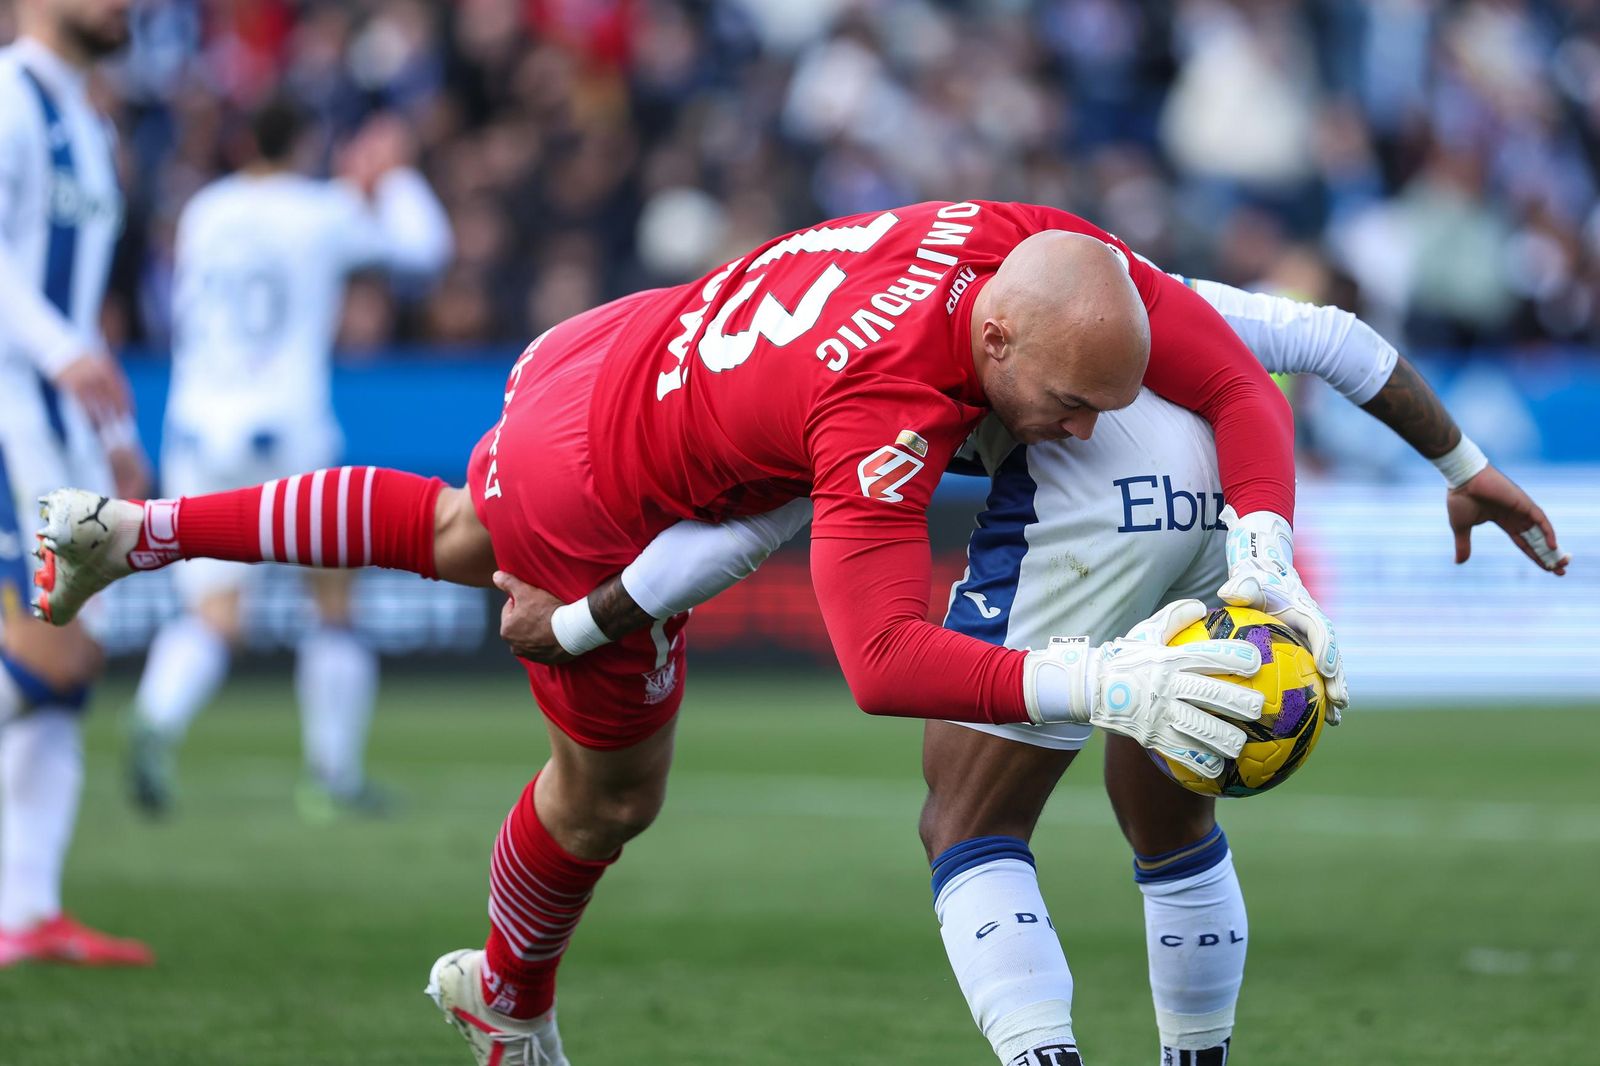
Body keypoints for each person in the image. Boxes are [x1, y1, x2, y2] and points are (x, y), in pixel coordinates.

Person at [34, 200, 1332, 1062]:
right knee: (608, 800)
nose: (1087, 430)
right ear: (998, 335)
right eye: (1063, 401)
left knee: (454, 534)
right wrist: (1111, 678)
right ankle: (510, 998)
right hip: (599, 493)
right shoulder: (883, 412)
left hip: (600, 354)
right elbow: (880, 663)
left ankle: (140, 529)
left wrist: (1277, 532)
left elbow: (1226, 359)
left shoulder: (1005, 237)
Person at [490, 278, 1569, 1065]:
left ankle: (1040, 1058)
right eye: (1072, 397)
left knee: (968, 826)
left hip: (1093, 513)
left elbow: (756, 528)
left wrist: (585, 623)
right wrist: (1464, 466)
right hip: (1220, 488)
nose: (1084, 413)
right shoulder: (1127, 297)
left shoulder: (893, 356)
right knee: (1169, 808)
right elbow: (1327, 339)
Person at [125, 99, 452, 819]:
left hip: (197, 430)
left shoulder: (205, 210)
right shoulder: (320, 211)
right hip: (288, 431)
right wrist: (389, 176)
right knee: (333, 605)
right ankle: (331, 778)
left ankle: (156, 716)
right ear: (307, 144)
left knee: (215, 615)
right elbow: (425, 249)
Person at [0, 0, 153, 968]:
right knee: (48, 656)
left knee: (73, 666)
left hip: (62, 425)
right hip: (10, 410)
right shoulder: (8, 97)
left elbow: (82, 293)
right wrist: (61, 354)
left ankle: (27, 912)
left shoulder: (86, 120)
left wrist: (117, 429)